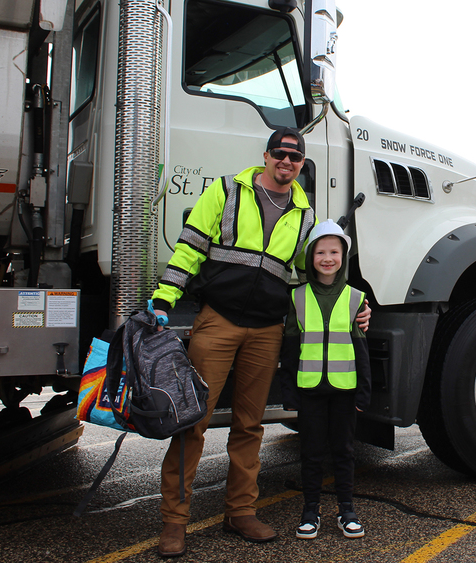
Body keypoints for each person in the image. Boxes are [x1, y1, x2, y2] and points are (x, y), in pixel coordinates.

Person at [149, 127, 368, 557]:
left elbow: (319, 276)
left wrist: (358, 307)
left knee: (249, 426)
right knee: (191, 422)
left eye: (296, 157)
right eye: (280, 154)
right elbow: (190, 247)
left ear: (302, 165)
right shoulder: (227, 191)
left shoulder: (305, 215)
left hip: (267, 329)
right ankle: (175, 522)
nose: (287, 162)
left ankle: (240, 512)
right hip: (218, 321)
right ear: (266, 156)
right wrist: (164, 297)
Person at [279, 219, 371, 540]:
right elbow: (289, 348)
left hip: (344, 392)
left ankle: (347, 510)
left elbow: (361, 351)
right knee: (312, 452)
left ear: (343, 256)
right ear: (310, 258)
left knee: (344, 451)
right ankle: (310, 511)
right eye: (320, 252)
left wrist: (363, 392)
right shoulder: (298, 297)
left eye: (334, 251)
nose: (328, 258)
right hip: (310, 392)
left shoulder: (356, 298)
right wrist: (288, 391)